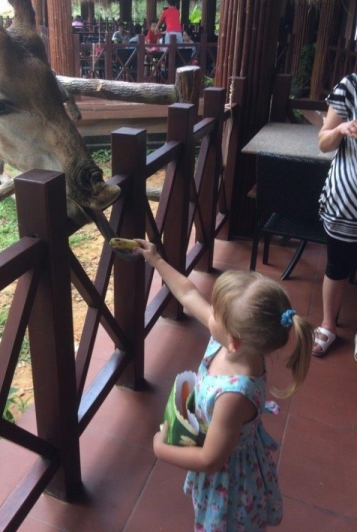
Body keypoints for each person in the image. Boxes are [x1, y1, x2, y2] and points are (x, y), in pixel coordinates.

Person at [133, 239, 313, 532]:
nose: (209, 313)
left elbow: (209, 459)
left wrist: (159, 449)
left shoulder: (233, 395)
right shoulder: (235, 343)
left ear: (234, 340)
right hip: (227, 452)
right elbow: (189, 293)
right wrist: (156, 260)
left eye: (215, 312)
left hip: (229, 483)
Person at [313, 73, 357, 357]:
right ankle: (329, 325)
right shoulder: (350, 86)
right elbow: (323, 142)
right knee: (337, 266)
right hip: (346, 201)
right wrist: (341, 130)